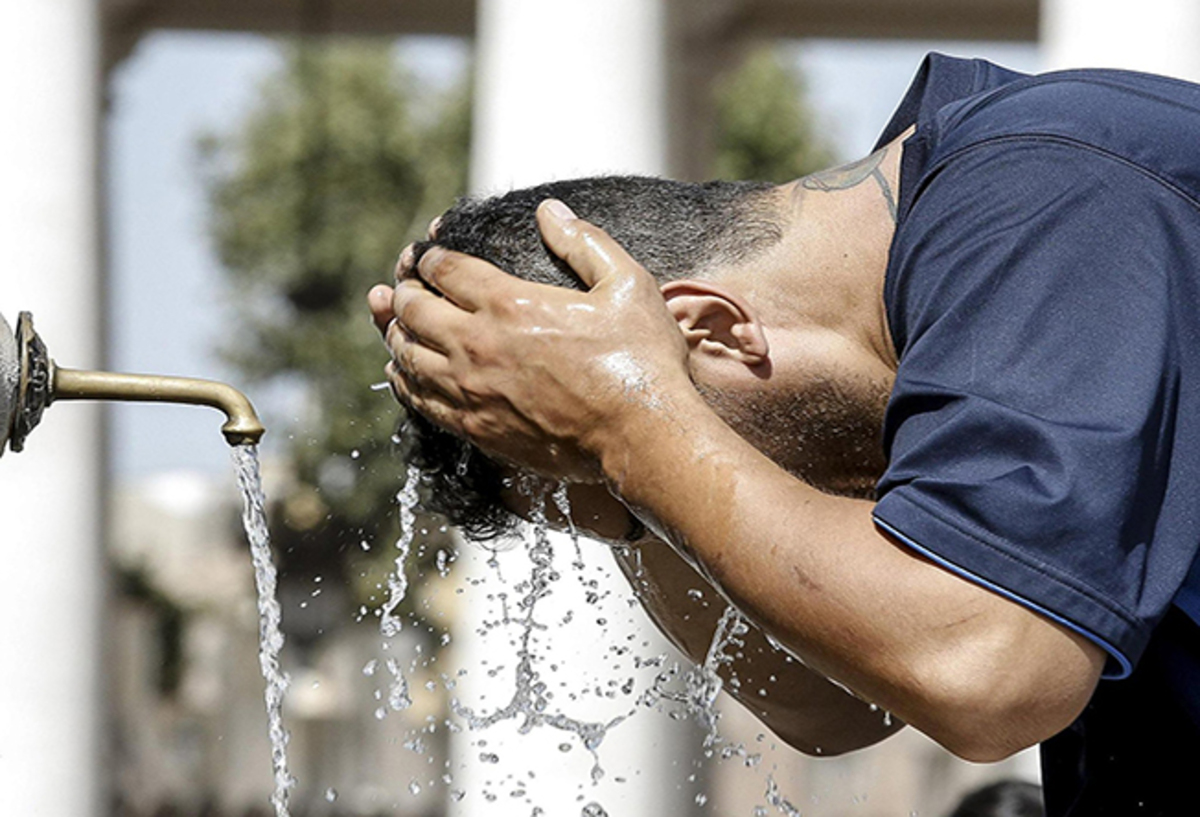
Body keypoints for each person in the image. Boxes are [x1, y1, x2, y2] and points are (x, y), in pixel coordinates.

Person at [367, 54, 1200, 815]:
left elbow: (985, 669)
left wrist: (629, 427)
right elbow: (838, 706)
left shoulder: (1049, 191)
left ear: (710, 328)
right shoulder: (956, 287)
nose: (659, 500)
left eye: (621, 478)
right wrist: (624, 464)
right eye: (635, 509)